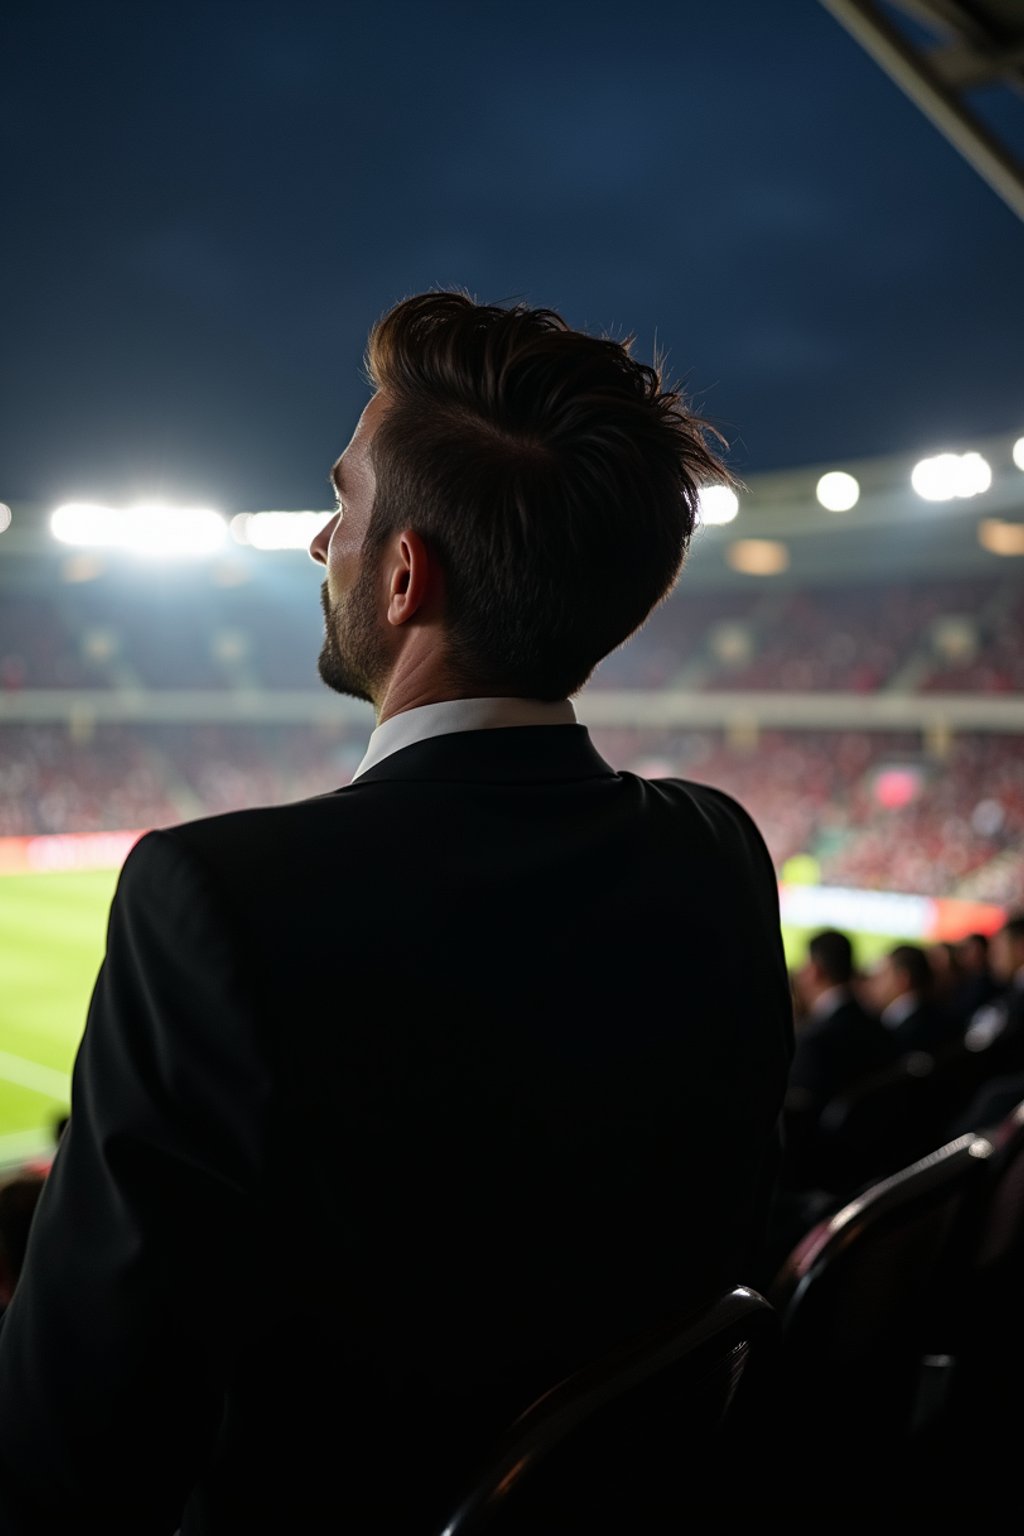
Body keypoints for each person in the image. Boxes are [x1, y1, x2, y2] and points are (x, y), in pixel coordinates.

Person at [0, 289, 794, 1534]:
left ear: (406, 574)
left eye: (343, 507)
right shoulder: (718, 850)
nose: (323, 545)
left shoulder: (213, 897)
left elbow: (77, 1430)